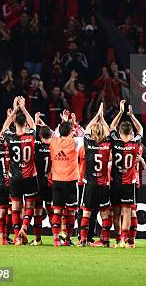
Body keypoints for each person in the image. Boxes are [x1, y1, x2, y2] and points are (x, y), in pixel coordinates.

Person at [0, 96, 38, 245]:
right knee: (30, 206)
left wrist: (14, 110)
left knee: (15, 207)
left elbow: (4, 128)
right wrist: (23, 108)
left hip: (14, 177)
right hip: (29, 176)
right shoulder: (30, 135)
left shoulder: (9, 136)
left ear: (15, 122)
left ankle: (17, 237)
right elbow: (33, 124)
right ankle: (24, 227)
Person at [109, 100, 143, 248]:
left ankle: (117, 239)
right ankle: (124, 239)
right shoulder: (135, 143)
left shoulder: (115, 141)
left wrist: (120, 112)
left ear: (120, 132)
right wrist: (132, 115)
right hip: (129, 183)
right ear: (131, 132)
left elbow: (111, 127)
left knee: (116, 213)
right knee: (127, 212)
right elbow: (141, 129)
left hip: (115, 182)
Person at [79, 102, 112, 247]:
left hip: (90, 185)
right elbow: (110, 131)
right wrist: (103, 118)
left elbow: (86, 129)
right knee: (105, 214)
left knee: (86, 213)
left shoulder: (88, 142)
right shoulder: (107, 143)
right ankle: (105, 241)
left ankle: (83, 240)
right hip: (103, 184)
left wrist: (97, 115)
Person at [49, 118, 83, 247]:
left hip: (57, 181)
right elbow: (84, 134)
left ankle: (56, 240)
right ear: (71, 131)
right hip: (70, 181)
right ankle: (68, 239)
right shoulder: (75, 142)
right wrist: (75, 124)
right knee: (71, 212)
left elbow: (55, 133)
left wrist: (63, 123)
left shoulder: (53, 142)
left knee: (57, 211)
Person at [32, 114, 53, 246]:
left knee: (37, 211)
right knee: (51, 209)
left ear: (40, 136)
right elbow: (51, 134)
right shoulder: (54, 145)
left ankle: (37, 239)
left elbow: (33, 135)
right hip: (50, 181)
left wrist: (35, 123)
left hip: (38, 181)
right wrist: (43, 125)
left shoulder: (36, 145)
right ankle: (57, 236)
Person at [0, 124, 11, 245]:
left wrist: (8, 118)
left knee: (2, 212)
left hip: (0, 183)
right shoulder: (15, 147)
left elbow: (1, 134)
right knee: (12, 211)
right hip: (11, 183)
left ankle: (2, 238)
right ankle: (10, 236)